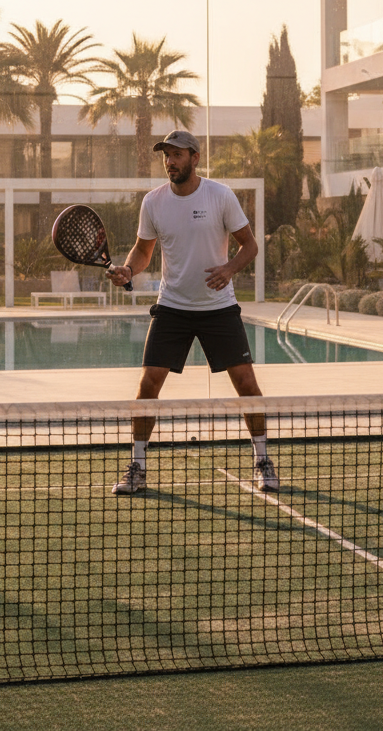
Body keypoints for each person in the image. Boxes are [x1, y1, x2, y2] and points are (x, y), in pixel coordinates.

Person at [105, 129, 279, 495]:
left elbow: (250, 246)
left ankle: (263, 461)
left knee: (246, 383)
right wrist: (128, 270)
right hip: (173, 308)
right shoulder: (153, 202)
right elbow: (143, 250)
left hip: (219, 308)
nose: (170, 161)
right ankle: (137, 466)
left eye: (177, 154)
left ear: (194, 157)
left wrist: (229, 269)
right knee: (148, 383)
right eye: (166, 155)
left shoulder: (220, 195)